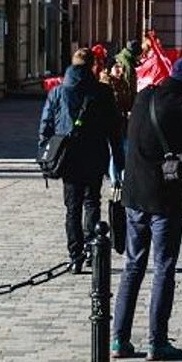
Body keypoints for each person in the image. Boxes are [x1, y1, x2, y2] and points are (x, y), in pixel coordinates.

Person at [111, 57, 182, 361]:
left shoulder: (143, 97)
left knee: (132, 266)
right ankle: (157, 341)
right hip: (165, 198)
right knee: (164, 266)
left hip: (135, 194)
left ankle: (118, 339)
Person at [39, 48, 125, 273]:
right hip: (95, 154)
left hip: (68, 157)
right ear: (92, 65)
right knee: (92, 202)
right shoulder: (103, 92)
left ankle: (75, 255)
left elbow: (45, 127)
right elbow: (115, 130)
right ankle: (91, 249)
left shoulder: (57, 92)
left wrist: (46, 156)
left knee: (72, 207)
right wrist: (118, 160)